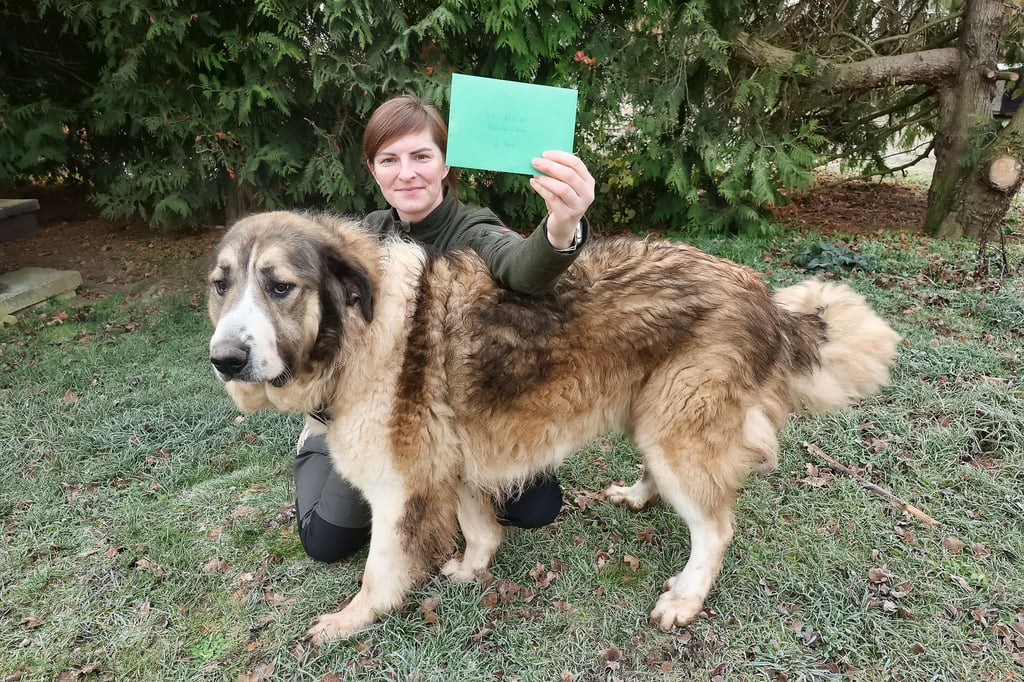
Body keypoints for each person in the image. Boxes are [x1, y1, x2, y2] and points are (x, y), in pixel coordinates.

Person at [293, 94, 596, 562]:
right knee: (327, 543)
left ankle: (444, 483)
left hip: (454, 415)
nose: (407, 173)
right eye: (389, 160)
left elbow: (519, 267)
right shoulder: (363, 238)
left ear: (444, 163)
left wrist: (562, 228)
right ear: (373, 171)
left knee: (537, 506)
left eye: (421, 156)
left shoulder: (472, 228)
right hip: (367, 418)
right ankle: (316, 448)